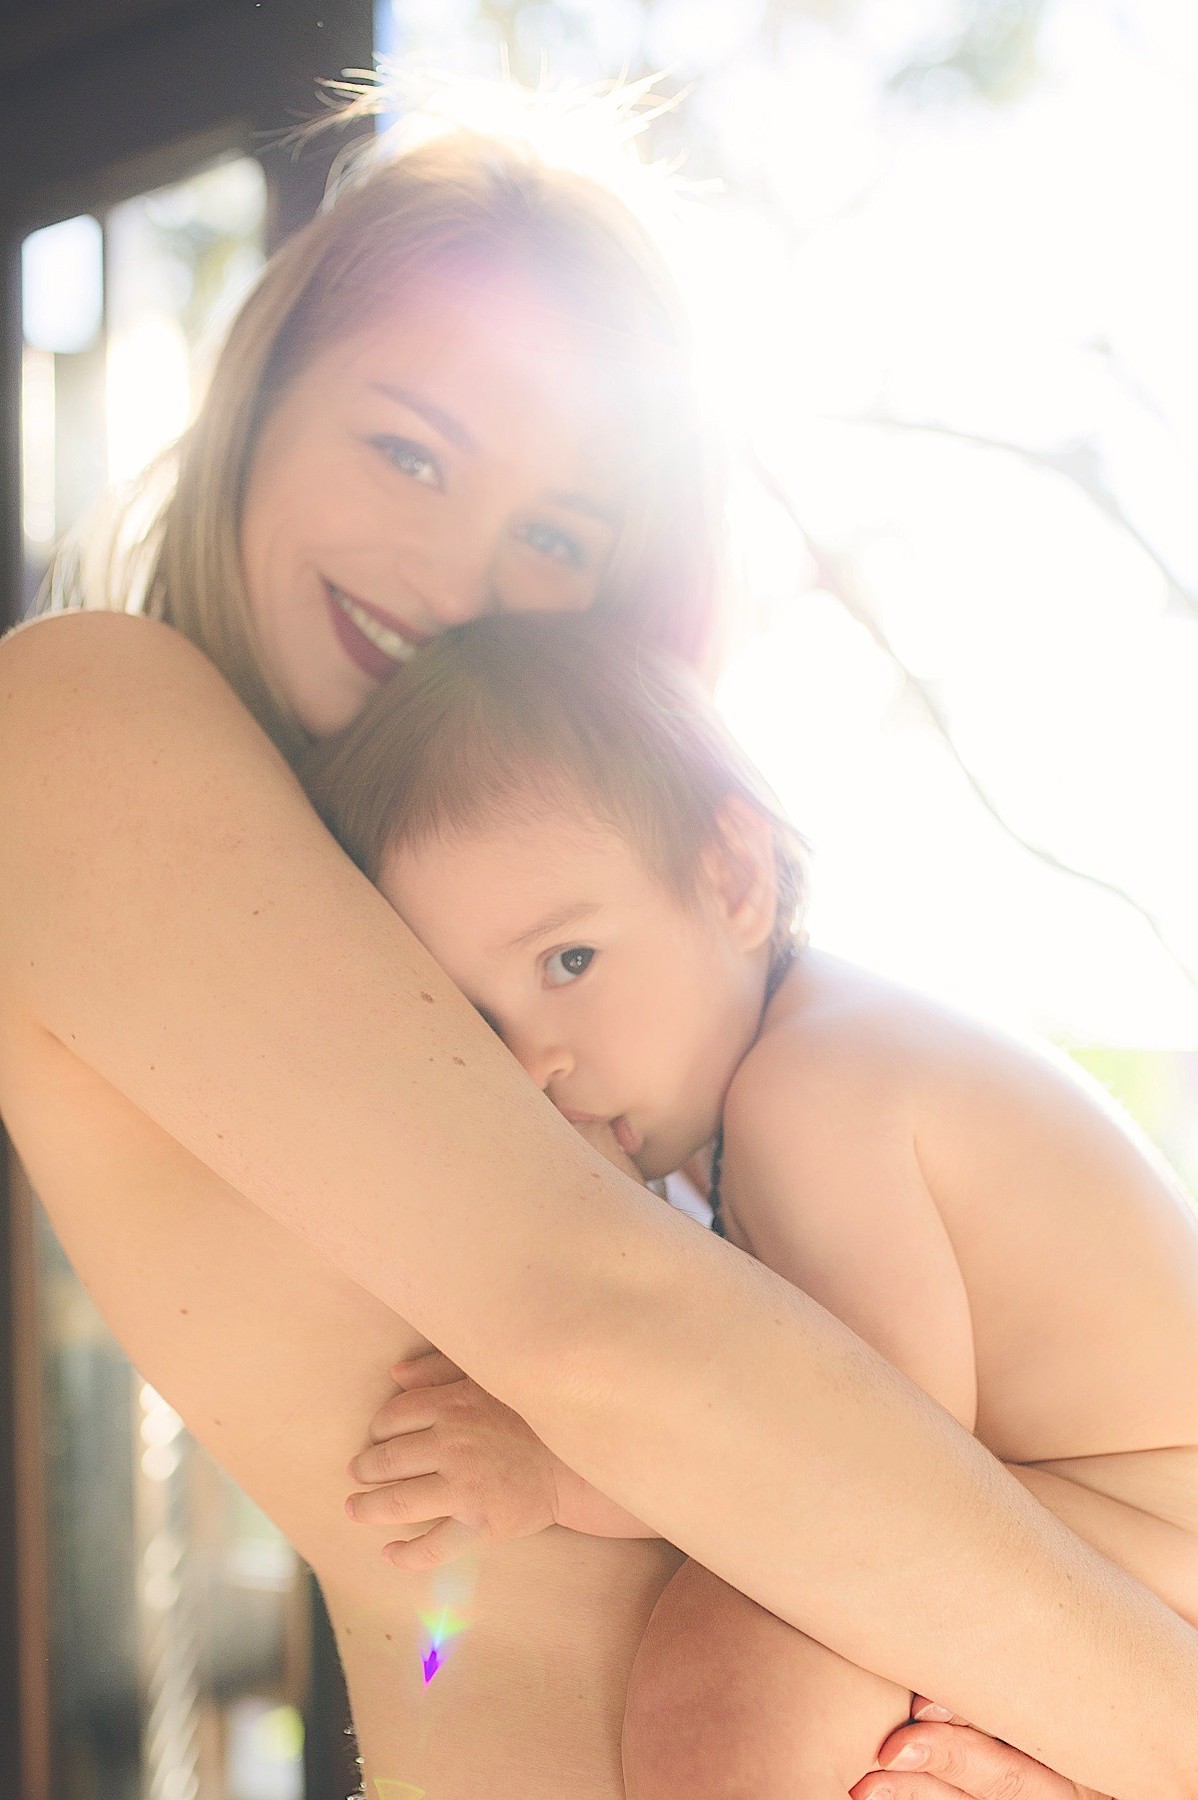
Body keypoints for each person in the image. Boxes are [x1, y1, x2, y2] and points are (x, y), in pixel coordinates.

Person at [1, 84, 1196, 1800]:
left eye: (554, 537)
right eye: (406, 448)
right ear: (258, 408)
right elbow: (604, 1320)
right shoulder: (79, 718)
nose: (451, 576)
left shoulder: (622, 983)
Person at [300, 610, 1198, 1797]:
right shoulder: (794, 1068)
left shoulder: (813, 1095)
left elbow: (842, 1475)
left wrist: (551, 1465)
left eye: (568, 962)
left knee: (731, 1669)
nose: (537, 1064)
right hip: (1089, 1539)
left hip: (1148, 1553)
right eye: (482, 1027)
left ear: (732, 877)